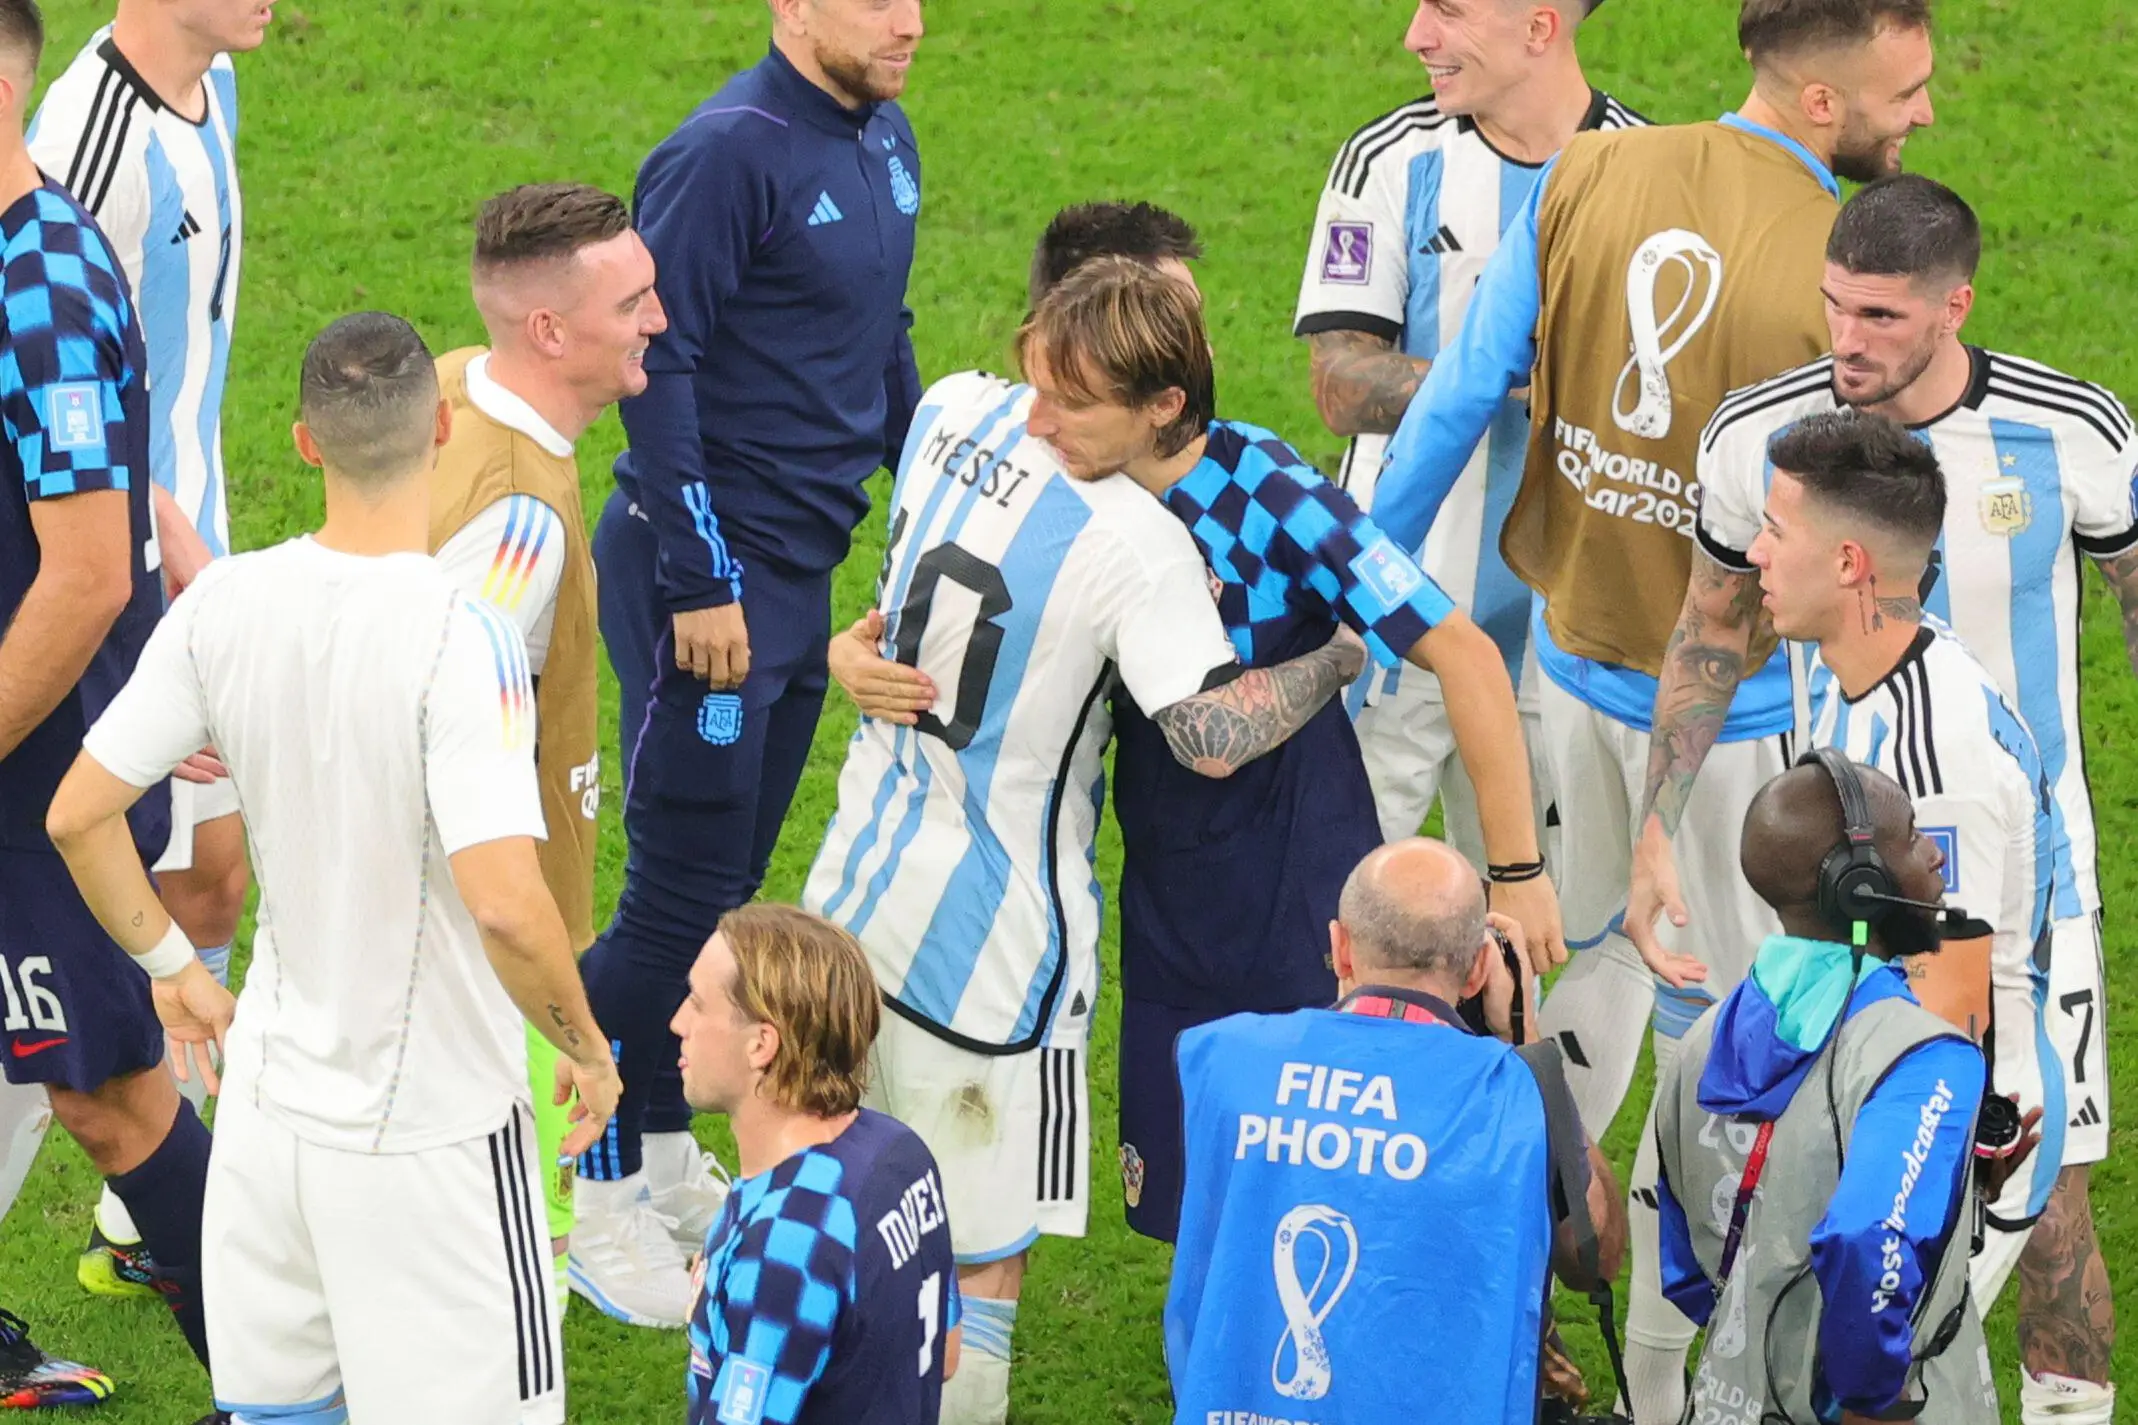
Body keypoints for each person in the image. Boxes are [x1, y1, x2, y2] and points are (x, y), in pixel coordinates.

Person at [1370, 4, 1937, 1414]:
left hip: (1563, 688)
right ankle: (1666, 1379)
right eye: (1902, 92)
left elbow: (1447, 404)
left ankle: (1481, 1274)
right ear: (1819, 98)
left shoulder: (1587, 171)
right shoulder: (1833, 275)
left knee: (1587, 977)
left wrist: (1363, 583)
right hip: (1733, 738)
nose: (1918, 117)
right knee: (1741, 1061)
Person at [805, 205, 1371, 1425]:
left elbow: (902, 601)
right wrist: (1334, 658)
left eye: (1064, 396)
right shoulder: (1140, 540)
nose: (1040, 418)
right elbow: (1208, 737)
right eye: (1042, 384)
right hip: (996, 952)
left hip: (851, 886)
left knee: (839, 1199)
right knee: (980, 1254)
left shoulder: (948, 411)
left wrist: (848, 653)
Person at [45, 312, 622, 1424]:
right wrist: (585, 1049)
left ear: (305, 443)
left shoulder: (223, 601)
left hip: (268, 1116)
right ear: (442, 428)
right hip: (433, 1136)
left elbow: (80, 813)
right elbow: (506, 906)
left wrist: (169, 964)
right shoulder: (468, 637)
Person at [1639, 174, 2123, 1424]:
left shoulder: (2070, 434)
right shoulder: (1769, 445)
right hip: (1852, 885)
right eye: (1831, 308)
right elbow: (1707, 633)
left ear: (1952, 305)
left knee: (2006, 1199)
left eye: (1879, 317)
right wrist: (1653, 833)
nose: (1845, 341)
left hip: (1977, 894)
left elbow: (1954, 974)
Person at [1031, 255, 1562, 1246]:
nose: (1037, 424)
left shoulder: (1265, 493)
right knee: (1193, 1213)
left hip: (1294, 904)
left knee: (1331, 1197)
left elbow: (1466, 655)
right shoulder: (1070, 492)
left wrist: (1517, 873)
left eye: (1068, 401)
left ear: (1161, 406)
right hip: (1167, 903)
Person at [577, 0, 926, 1323]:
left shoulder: (883, 137)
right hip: (709, 583)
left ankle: (664, 1155)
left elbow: (877, 339)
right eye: (875, 0)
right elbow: (652, 369)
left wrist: (931, 486)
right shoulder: (727, 152)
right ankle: (589, 1190)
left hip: (795, 576)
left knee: (723, 887)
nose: (907, 22)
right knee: (675, 902)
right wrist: (700, 576)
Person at [27, 0, 271, 1299]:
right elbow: (80, 414)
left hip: (182, 553)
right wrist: (176, 590)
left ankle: (158, 1196)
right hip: (122, 577)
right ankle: (161, 1192)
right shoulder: (87, 134)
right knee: (64, 963)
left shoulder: (213, 87)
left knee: (214, 878)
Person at [0, 0, 216, 1404]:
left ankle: (283, 1378)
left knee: (114, 1093)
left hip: (38, 772)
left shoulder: (43, 285)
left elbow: (81, 577)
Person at [1296, 0, 1641, 851]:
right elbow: (1340, 383)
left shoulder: (1647, 173)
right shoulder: (1389, 157)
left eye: (1447, 11)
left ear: (1539, 26)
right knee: (1339, 907)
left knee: (1517, 920)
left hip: (1558, 635)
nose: (1417, 35)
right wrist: (1505, 377)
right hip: (1392, 613)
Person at [427, 182, 671, 1322]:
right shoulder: (519, 528)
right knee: (506, 1301)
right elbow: (434, 741)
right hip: (489, 962)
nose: (657, 322)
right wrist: (564, 1023)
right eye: (632, 302)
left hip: (454, 949)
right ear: (549, 331)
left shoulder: (443, 389)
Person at [1165, 839, 1623, 1425]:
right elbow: (1594, 1257)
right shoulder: (1514, 1094)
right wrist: (1522, 1037)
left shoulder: (1224, 1059)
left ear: (1340, 949)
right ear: (1479, 968)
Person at [1654, 754, 2009, 1425]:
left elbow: (1688, 1266)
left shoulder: (1699, 1041)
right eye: (1910, 836)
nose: (1935, 854)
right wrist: (1872, 1399)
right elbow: (1870, 1235)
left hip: (1733, 1392)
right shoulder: (1928, 1059)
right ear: (1859, 886)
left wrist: (1958, 1183)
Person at [671, 904, 960, 1425]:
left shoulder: (785, 1241)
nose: (677, 1022)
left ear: (761, 1044)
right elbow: (946, 1351)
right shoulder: (899, 1151)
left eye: (696, 1003)